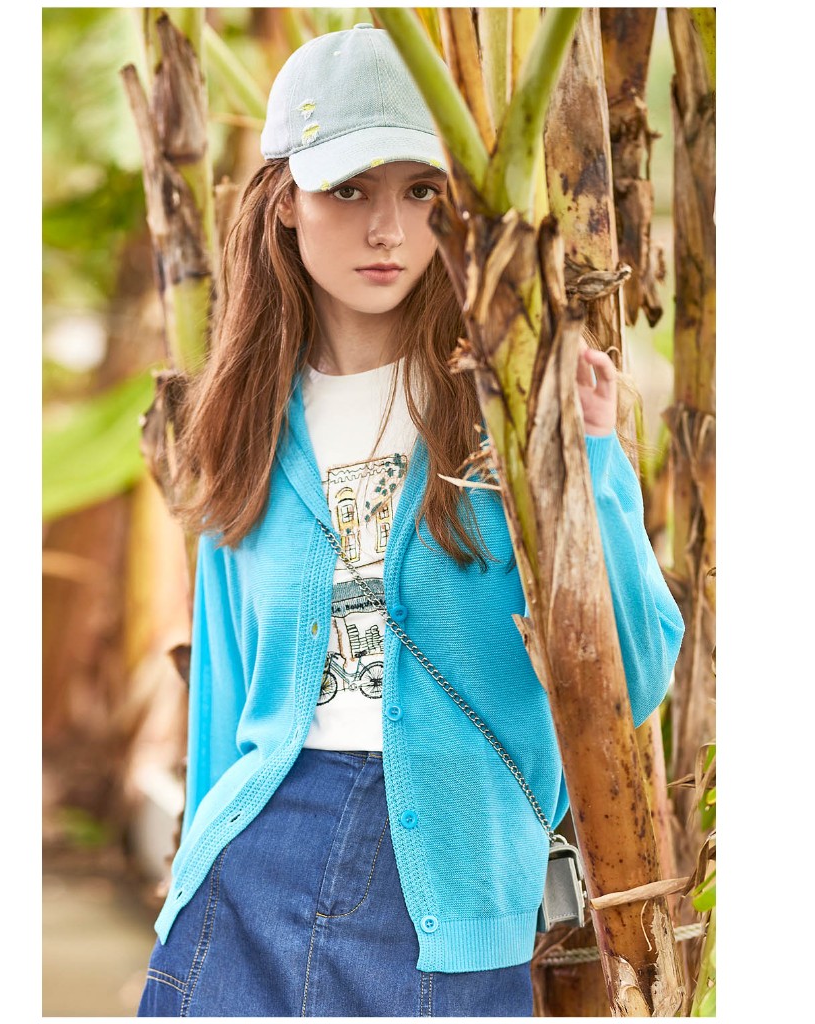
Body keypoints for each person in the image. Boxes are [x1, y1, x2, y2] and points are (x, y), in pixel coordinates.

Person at [137, 23, 684, 1018]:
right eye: (349, 190)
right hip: (242, 887)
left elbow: (635, 672)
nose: (387, 229)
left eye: (421, 190)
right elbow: (222, 706)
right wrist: (186, 879)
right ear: (286, 203)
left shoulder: (506, 410)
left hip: (454, 900)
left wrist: (595, 455)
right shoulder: (242, 428)